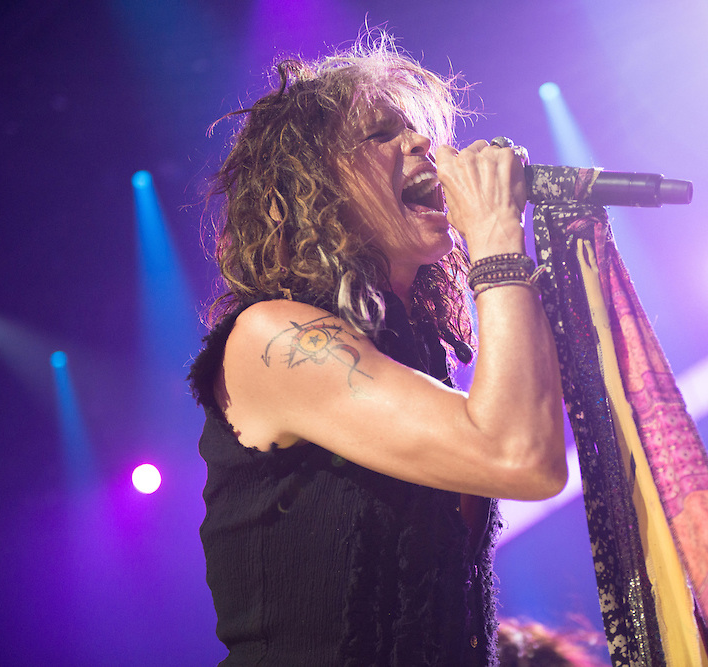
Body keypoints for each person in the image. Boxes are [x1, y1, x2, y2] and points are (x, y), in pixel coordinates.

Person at [188, 32, 567, 666]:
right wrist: (498, 241)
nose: (424, 144)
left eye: (419, 130)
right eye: (381, 133)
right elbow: (520, 454)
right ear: (314, 182)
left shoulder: (419, 355)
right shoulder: (272, 339)